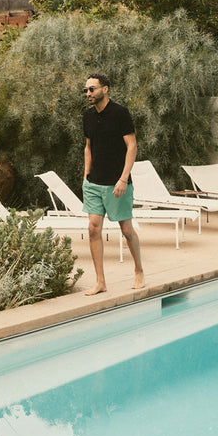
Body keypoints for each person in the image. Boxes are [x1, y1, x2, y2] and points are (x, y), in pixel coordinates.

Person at [82, 73, 144, 295]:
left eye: (92, 89)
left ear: (105, 89)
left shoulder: (120, 113)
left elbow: (132, 146)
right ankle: (100, 281)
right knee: (92, 229)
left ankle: (138, 270)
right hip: (93, 183)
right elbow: (88, 147)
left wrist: (123, 178)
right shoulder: (87, 117)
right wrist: (85, 177)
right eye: (86, 90)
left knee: (126, 229)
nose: (88, 93)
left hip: (117, 183)